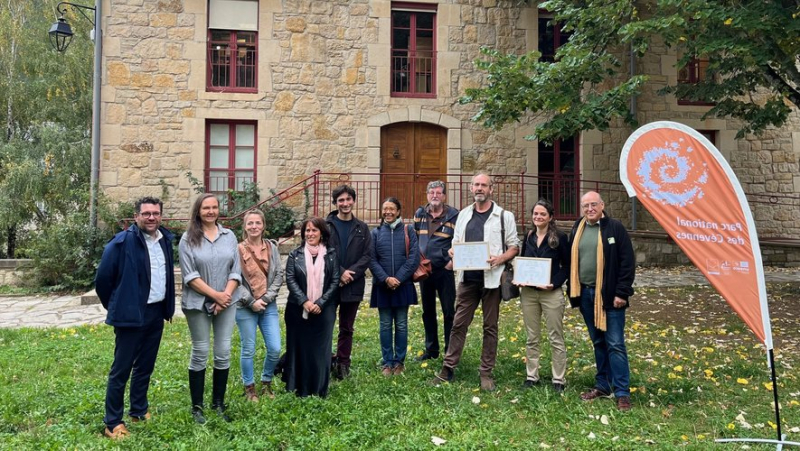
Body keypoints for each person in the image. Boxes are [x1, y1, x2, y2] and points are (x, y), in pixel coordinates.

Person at [95, 197, 175, 440]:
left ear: (161, 216)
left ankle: (138, 410)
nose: (151, 217)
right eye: (146, 213)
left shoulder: (165, 240)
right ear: (136, 216)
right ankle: (112, 422)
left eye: (156, 213)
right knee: (122, 369)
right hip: (130, 316)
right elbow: (103, 281)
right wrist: (120, 307)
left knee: (145, 366)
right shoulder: (121, 243)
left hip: (155, 312)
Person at [432, 173, 519, 391]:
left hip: (492, 281)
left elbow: (514, 246)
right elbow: (456, 242)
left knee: (490, 327)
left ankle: (486, 372)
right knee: (459, 324)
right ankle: (448, 367)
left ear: (491, 189)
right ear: (471, 188)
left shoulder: (503, 216)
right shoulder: (463, 215)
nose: (480, 188)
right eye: (476, 185)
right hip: (467, 280)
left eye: (484, 185)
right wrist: (453, 250)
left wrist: (500, 259)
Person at [567, 191, 635, 411]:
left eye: (593, 204)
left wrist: (622, 293)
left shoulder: (614, 228)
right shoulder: (578, 227)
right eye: (585, 205)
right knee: (598, 342)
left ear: (602, 205)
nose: (589, 209)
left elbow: (627, 263)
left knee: (615, 343)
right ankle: (603, 385)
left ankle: (622, 392)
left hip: (609, 296)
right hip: (586, 294)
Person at [179, 194, 241, 423]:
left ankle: (218, 404)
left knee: (223, 352)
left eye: (215, 207)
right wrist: (216, 295)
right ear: (198, 210)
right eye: (206, 208)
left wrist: (225, 296)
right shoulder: (188, 239)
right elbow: (190, 275)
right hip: (197, 303)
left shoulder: (230, 236)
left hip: (227, 302)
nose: (211, 211)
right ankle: (197, 408)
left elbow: (236, 269)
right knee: (200, 352)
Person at [515, 199, 570, 392]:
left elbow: (568, 266)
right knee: (532, 336)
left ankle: (558, 379)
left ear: (550, 217)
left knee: (556, 336)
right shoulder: (529, 236)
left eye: (542, 214)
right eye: (536, 214)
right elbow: (523, 261)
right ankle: (532, 376)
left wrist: (553, 283)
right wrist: (520, 278)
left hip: (551, 293)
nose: (538, 217)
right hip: (529, 294)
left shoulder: (560, 238)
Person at [283, 217, 340, 397]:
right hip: (297, 309)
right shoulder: (295, 255)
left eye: (314, 230)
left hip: (324, 309)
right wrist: (305, 302)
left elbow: (335, 281)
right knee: (299, 348)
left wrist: (320, 303)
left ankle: (319, 388)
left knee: (320, 350)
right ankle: (299, 387)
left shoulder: (331, 254)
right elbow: (290, 279)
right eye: (307, 231)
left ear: (322, 233)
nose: (310, 234)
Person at [234, 209, 283, 402]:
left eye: (257, 223)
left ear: (263, 226)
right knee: (248, 348)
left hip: (268, 305)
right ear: (245, 227)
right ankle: (249, 388)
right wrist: (252, 302)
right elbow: (234, 279)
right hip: (245, 306)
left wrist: (267, 298)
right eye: (250, 223)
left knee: (275, 348)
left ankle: (266, 382)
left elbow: (279, 275)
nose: (254, 226)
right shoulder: (237, 249)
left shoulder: (272, 247)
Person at [369, 197, 420, 376]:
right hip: (382, 286)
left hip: (402, 285)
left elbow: (414, 258)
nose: (388, 212)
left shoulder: (409, 231)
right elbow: (371, 259)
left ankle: (399, 362)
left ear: (398, 211)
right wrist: (385, 279)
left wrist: (397, 278)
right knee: (384, 325)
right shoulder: (375, 233)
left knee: (401, 324)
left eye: (392, 209)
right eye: (385, 209)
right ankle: (387, 362)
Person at [326, 185, 372, 380]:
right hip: (329, 285)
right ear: (335, 203)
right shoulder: (326, 226)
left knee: (347, 328)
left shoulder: (362, 228)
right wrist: (341, 272)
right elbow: (325, 252)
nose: (345, 204)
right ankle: (325, 361)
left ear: (353, 201)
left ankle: (343, 365)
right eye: (341, 201)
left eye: (348, 200)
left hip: (353, 285)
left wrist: (350, 275)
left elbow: (367, 255)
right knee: (326, 325)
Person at [413, 180, 459, 361]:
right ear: (427, 195)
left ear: (444, 196)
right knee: (428, 311)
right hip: (425, 271)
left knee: (449, 312)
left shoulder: (454, 215)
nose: (435, 196)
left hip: (444, 270)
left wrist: (451, 263)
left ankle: (450, 350)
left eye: (439, 193)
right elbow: (415, 238)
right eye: (432, 193)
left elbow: (460, 241)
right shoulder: (420, 214)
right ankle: (431, 350)